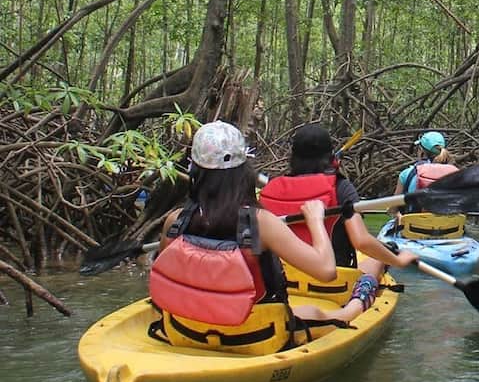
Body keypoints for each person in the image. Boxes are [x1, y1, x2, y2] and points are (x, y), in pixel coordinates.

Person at [150, 121, 337, 349]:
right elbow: (326, 271)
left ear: (195, 170)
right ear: (243, 171)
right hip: (255, 335)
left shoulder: (176, 220)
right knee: (317, 312)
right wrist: (316, 219)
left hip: (186, 331)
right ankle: (355, 307)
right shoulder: (261, 223)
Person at [260, 123, 417, 324]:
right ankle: (353, 307)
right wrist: (398, 260)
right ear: (330, 155)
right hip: (333, 283)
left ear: (293, 155)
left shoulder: (271, 188)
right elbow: (361, 242)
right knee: (377, 261)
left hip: (281, 279)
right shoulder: (341, 187)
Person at [394, 130, 458, 209]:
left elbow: (394, 208)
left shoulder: (406, 174)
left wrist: (393, 211)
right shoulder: (456, 174)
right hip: (451, 221)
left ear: (421, 151)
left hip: (415, 221)